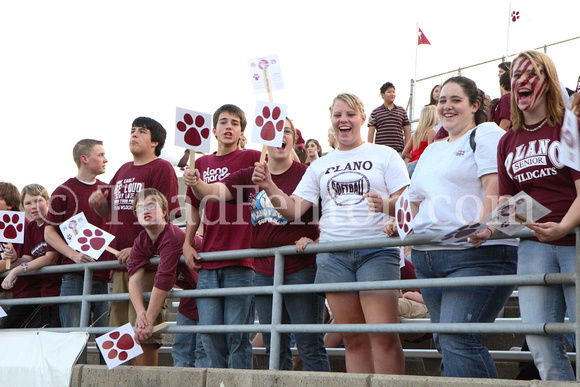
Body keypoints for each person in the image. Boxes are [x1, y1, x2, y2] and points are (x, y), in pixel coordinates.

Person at [252, 93, 408, 375]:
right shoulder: (319, 165)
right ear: (331, 121)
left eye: (349, 114)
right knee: (353, 338)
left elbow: (407, 200)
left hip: (377, 251)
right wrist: (269, 186)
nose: (343, 120)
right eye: (337, 115)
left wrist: (387, 207)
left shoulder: (385, 154)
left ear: (362, 118)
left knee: (383, 335)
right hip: (333, 257)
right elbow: (294, 210)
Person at [392, 76, 519, 378]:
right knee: (446, 341)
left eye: (455, 100)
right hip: (428, 256)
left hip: (476, 252)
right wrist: (399, 228)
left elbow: (495, 184)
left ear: (475, 105)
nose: (447, 107)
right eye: (441, 101)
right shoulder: (433, 149)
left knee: (457, 339)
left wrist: (486, 224)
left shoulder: (485, 132)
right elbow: (413, 201)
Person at [184, 118, 330, 371]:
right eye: (273, 132)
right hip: (263, 270)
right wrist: (196, 182)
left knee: (308, 344)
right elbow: (213, 192)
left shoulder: (307, 173)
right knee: (274, 343)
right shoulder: (248, 175)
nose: (280, 137)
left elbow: (329, 215)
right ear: (263, 141)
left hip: (300, 267)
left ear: (294, 139)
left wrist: (315, 239)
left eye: (286, 131)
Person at [471, 51, 580, 381]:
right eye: (516, 75)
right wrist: (488, 227)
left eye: (531, 73)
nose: (521, 80)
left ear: (547, 82)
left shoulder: (570, 127)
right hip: (534, 245)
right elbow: (513, 203)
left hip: (574, 239)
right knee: (539, 339)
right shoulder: (508, 141)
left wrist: (564, 226)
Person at [89, 116, 181, 366]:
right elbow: (111, 213)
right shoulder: (122, 170)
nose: (134, 135)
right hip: (121, 265)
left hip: (149, 263)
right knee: (119, 336)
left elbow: (168, 214)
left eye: (142, 131)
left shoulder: (162, 168)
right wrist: (99, 207)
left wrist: (138, 248)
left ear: (155, 142)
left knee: (143, 333)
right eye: (132, 131)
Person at [182, 104, 260, 369]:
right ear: (213, 130)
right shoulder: (201, 163)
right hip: (209, 259)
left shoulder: (253, 157)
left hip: (242, 257)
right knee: (209, 333)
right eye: (223, 122)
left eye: (235, 123)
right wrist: (186, 243)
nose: (229, 127)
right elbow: (193, 208)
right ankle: (218, 379)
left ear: (241, 132)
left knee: (237, 336)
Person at [44, 139, 113, 356]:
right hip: (74, 276)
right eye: (100, 155)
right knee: (73, 340)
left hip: (106, 274)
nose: (106, 159)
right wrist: (73, 255)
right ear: (84, 159)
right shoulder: (63, 191)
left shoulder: (109, 190)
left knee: (111, 340)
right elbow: (49, 232)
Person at [127, 188, 192, 366]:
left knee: (204, 346)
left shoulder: (172, 236)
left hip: (209, 286)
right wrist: (141, 313)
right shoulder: (141, 240)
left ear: (165, 212)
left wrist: (148, 321)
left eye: (151, 205)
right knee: (182, 350)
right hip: (191, 292)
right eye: (139, 208)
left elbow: (164, 280)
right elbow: (134, 278)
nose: (145, 211)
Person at [1, 184, 61, 328]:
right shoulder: (30, 227)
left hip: (56, 291)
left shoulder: (55, 223)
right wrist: (15, 257)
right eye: (28, 203)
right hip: (44, 293)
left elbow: (51, 257)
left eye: (38, 201)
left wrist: (16, 270)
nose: (33, 206)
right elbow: (27, 258)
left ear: (48, 201)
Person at [367, 82, 411, 155]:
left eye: (393, 92)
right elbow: (371, 132)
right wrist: (370, 149)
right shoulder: (375, 112)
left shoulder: (401, 110)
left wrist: (407, 148)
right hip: (380, 151)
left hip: (398, 151)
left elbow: (407, 130)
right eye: (389, 92)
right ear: (382, 95)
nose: (392, 94)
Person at [402, 105, 438, 178]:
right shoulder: (431, 132)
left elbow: (405, 153)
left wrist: (415, 157)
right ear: (432, 117)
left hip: (409, 166)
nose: (438, 118)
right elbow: (431, 152)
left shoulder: (416, 134)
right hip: (419, 166)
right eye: (436, 115)